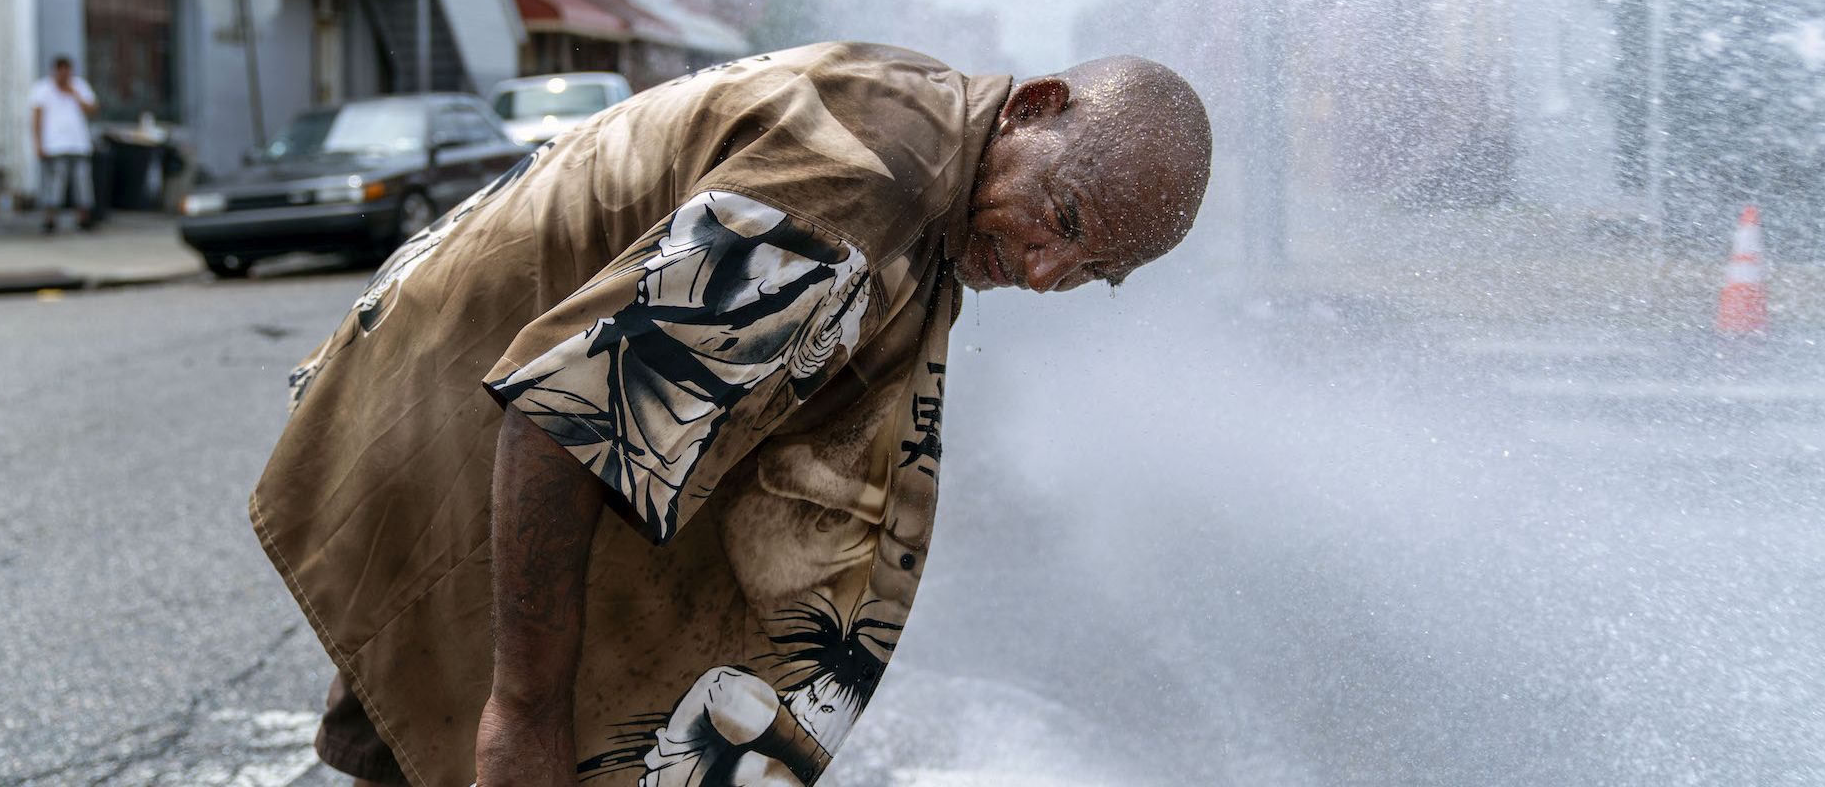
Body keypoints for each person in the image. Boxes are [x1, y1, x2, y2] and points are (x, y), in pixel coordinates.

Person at [250, 42, 1213, 787]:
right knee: (472, 726)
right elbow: (565, 420)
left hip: (457, 389)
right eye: (1067, 219)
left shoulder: (939, 129)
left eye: (1095, 274)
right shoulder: (862, 190)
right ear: (1038, 105)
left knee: (409, 720)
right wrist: (527, 712)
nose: (1048, 274)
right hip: (453, 424)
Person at [27, 56, 99, 233]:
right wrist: (38, 143)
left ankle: (84, 219)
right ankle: (50, 219)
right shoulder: (42, 89)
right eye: (61, 72)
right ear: (55, 71)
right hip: (54, 146)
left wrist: (74, 94)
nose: (64, 76)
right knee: (55, 183)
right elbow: (36, 118)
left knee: (82, 183)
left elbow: (92, 110)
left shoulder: (79, 87)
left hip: (79, 145)